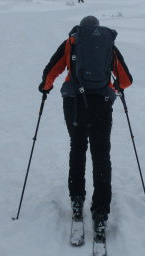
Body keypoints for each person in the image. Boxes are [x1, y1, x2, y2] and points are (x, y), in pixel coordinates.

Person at [38, 15, 133, 236]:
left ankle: (77, 199)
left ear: (80, 28)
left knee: (77, 147)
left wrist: (45, 87)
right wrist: (113, 85)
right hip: (101, 102)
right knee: (101, 154)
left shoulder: (72, 42)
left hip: (74, 102)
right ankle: (101, 211)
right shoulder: (108, 44)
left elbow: (51, 71)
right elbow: (126, 80)